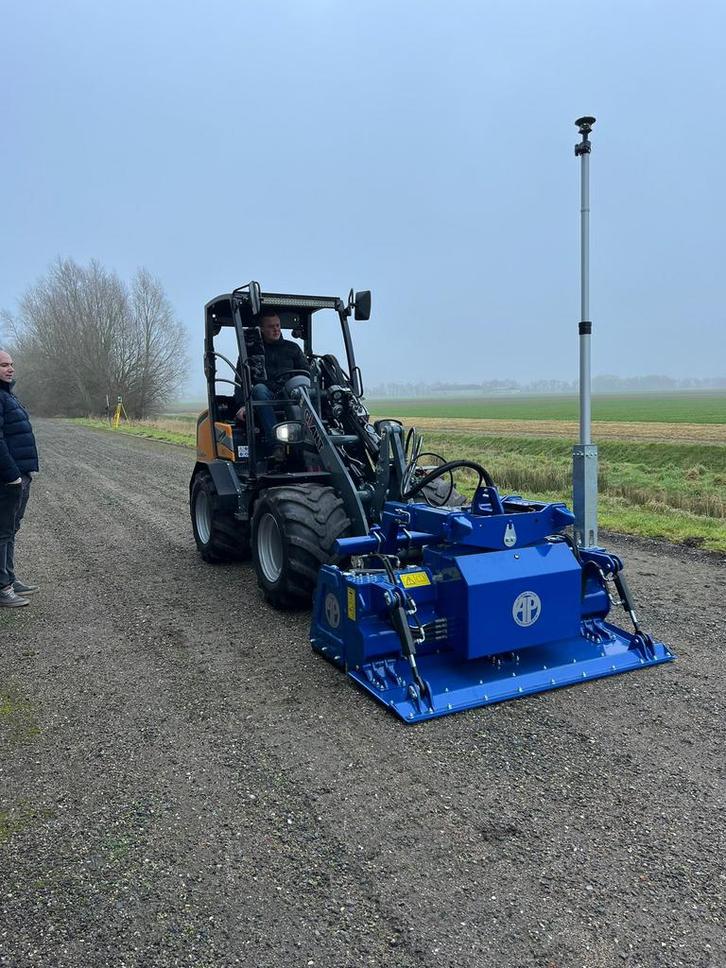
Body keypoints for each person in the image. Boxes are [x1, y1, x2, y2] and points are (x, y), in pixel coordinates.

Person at [0, 350, 39, 608]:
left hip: (19, 475)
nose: (10, 369)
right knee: (2, 532)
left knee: (11, 529)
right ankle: (3, 589)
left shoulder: (6, 395)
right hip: (8, 478)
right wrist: (12, 474)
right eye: (4, 365)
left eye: (11, 364)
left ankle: (10, 579)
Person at [234, 309, 309, 444]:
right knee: (259, 389)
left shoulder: (293, 348)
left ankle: (309, 439)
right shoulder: (251, 352)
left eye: (278, 326)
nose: (276, 330)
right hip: (267, 398)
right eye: (271, 326)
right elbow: (240, 380)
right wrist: (241, 405)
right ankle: (276, 442)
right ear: (261, 329)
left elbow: (306, 374)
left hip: (291, 395)